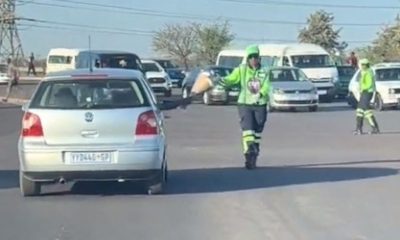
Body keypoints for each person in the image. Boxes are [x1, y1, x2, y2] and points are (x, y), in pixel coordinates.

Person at [354, 58, 380, 135]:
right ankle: (358, 129)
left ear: (364, 65)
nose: (359, 66)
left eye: (360, 65)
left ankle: (375, 128)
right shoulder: (364, 71)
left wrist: (362, 88)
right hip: (364, 92)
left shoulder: (368, 72)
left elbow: (369, 84)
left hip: (367, 92)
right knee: (359, 110)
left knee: (366, 110)